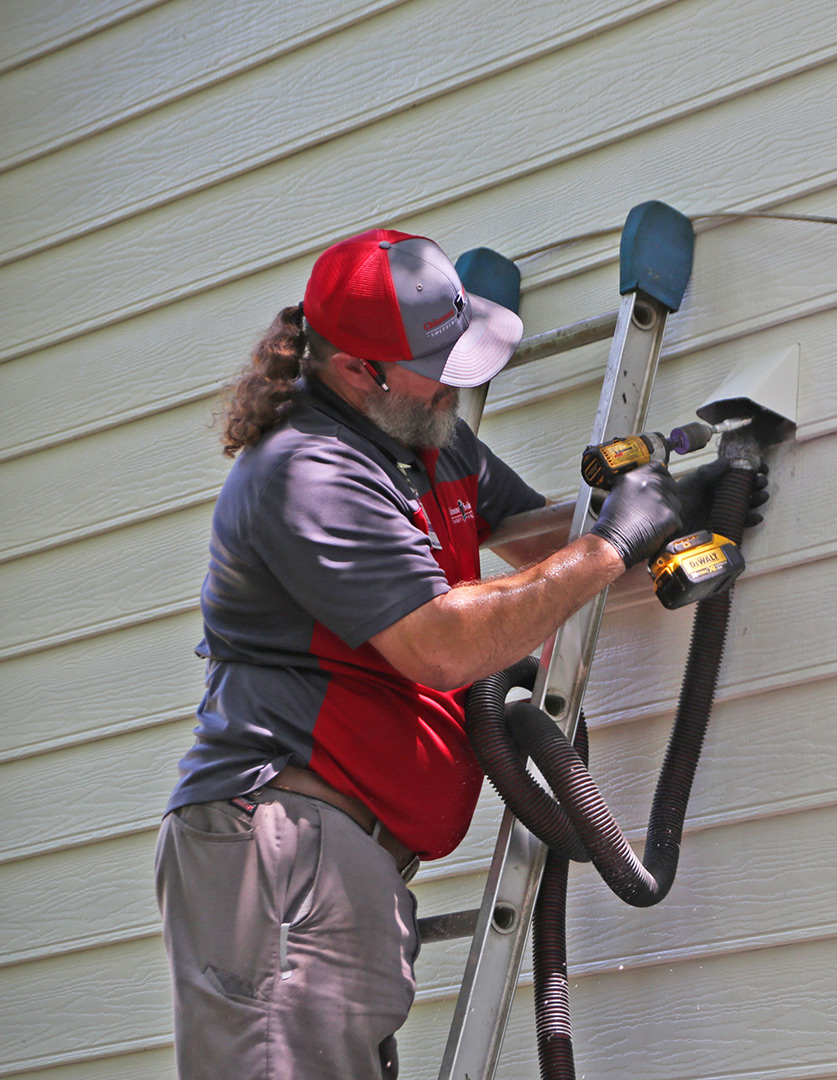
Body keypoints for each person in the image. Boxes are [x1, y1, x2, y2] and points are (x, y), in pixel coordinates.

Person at [154, 228, 693, 1080]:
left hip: (347, 862)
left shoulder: (431, 442)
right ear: (355, 372)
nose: (459, 380)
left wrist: (670, 512)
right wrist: (608, 550)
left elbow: (535, 545)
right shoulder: (310, 471)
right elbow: (442, 643)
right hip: (283, 850)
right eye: (436, 361)